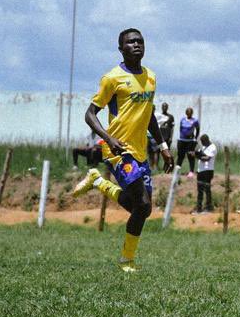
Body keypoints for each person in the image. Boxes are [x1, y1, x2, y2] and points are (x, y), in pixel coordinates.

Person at [72, 28, 172, 271]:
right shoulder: (112, 78)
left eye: (140, 41)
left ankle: (98, 181)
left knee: (141, 209)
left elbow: (149, 115)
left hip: (141, 151)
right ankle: (127, 261)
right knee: (143, 205)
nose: (136, 45)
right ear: (121, 49)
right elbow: (90, 114)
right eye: (130, 42)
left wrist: (163, 146)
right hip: (118, 151)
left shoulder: (150, 77)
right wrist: (109, 139)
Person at [193, 134, 217, 214]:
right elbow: (200, 155)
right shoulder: (203, 147)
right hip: (200, 170)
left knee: (207, 189)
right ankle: (199, 208)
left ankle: (209, 207)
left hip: (208, 170)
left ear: (206, 140)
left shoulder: (212, 147)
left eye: (203, 142)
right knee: (200, 190)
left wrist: (198, 156)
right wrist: (195, 154)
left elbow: (207, 158)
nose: (202, 144)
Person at [176, 107, 200, 177]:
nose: (189, 114)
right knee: (180, 156)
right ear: (186, 113)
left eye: (190, 112)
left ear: (192, 113)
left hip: (190, 141)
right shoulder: (182, 120)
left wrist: (195, 138)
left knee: (190, 156)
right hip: (182, 140)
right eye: (188, 112)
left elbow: (198, 129)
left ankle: (191, 171)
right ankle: (177, 171)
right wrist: (181, 136)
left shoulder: (195, 120)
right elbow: (180, 129)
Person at [151, 102, 175, 170]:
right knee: (157, 151)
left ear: (167, 107)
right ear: (161, 107)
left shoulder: (171, 117)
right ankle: (155, 166)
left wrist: (171, 137)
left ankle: (166, 167)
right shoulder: (158, 115)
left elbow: (172, 128)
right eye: (163, 106)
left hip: (167, 137)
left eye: (166, 106)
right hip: (159, 137)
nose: (164, 108)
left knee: (167, 152)